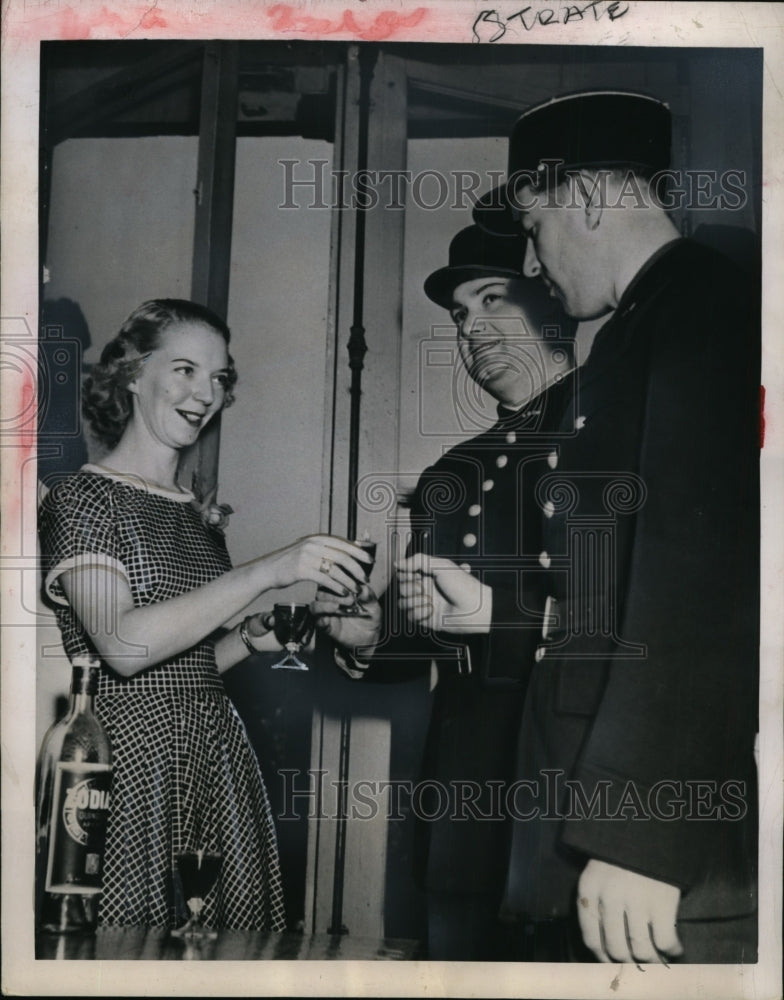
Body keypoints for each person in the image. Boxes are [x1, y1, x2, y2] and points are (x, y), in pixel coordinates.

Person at [473, 90, 760, 963]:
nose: (535, 257)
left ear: (590, 200)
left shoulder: (703, 305)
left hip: (657, 849)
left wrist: (639, 829)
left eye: (535, 227)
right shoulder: (645, 323)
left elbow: (700, 577)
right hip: (599, 811)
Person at [38, 298, 371, 931]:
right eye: (186, 370)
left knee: (220, 944)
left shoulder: (196, 514)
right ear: (133, 374)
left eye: (218, 377)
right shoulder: (81, 500)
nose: (205, 393)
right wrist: (270, 569)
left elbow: (188, 665)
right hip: (128, 760)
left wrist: (254, 633)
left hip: (214, 753)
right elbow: (124, 648)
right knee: (126, 944)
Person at [315, 225, 578, 960]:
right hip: (463, 792)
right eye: (461, 314)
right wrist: (375, 639)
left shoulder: (613, 433)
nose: (473, 328)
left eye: (494, 299)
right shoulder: (453, 472)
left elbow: (635, 611)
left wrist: (499, 613)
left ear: (551, 296)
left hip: (571, 793)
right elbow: (444, 636)